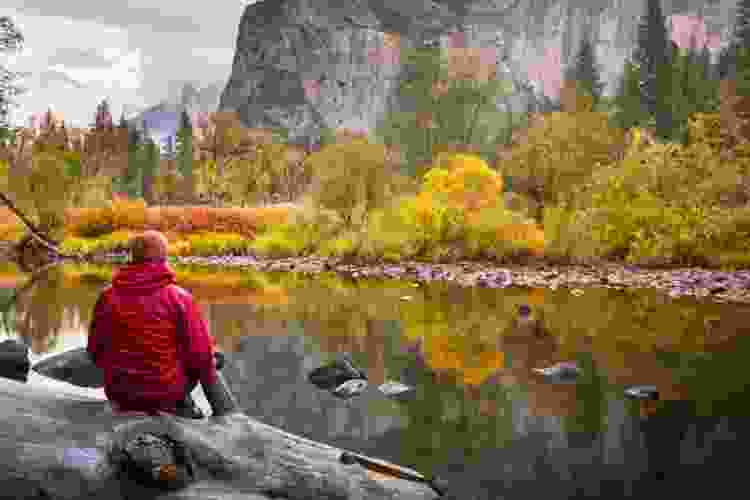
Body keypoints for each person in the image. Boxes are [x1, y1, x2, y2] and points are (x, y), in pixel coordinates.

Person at [87, 230, 216, 418]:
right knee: (209, 358)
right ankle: (190, 412)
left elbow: (94, 352)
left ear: (132, 257)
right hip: (166, 395)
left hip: (121, 394)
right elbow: (202, 357)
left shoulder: (107, 296)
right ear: (164, 258)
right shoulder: (179, 298)